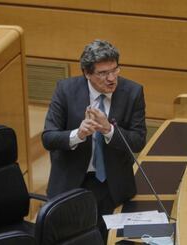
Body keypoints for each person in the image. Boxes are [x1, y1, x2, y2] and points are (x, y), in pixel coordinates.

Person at [42, 39, 147, 242]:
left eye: (115, 70)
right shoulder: (65, 90)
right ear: (86, 73)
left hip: (112, 184)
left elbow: (138, 140)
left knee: (108, 239)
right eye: (103, 73)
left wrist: (108, 130)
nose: (111, 79)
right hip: (71, 182)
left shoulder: (132, 92)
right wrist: (78, 134)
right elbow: (48, 138)